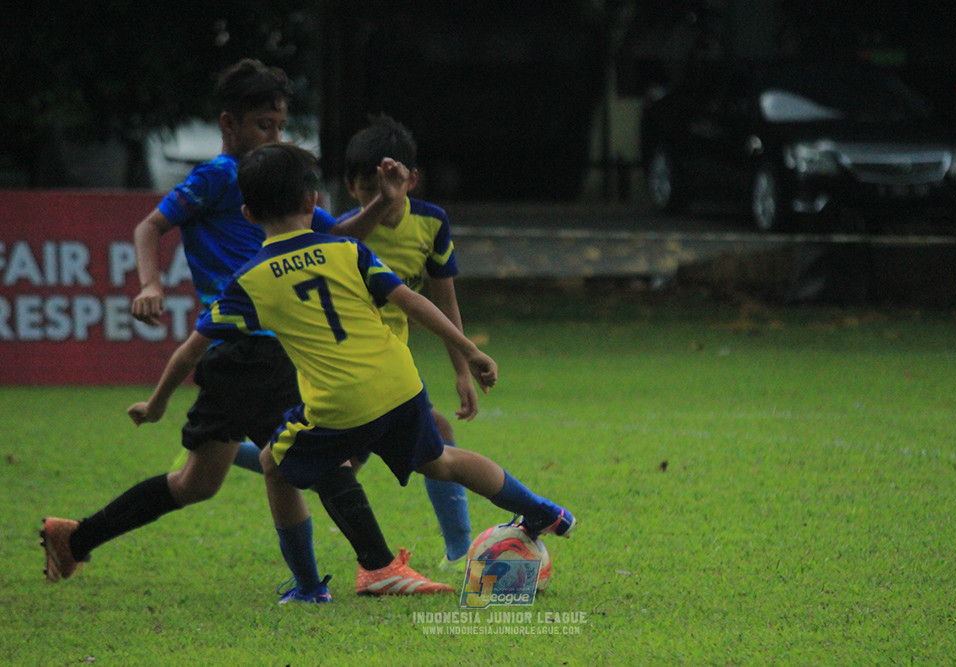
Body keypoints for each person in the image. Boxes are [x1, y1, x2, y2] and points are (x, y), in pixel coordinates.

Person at [40, 59, 452, 602]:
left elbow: (340, 235)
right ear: (228, 124)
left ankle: (74, 539)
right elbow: (149, 226)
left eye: (280, 126)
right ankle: (376, 567)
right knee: (315, 457)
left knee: (195, 482)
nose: (274, 136)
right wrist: (150, 283)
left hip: (236, 355)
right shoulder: (217, 178)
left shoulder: (278, 181)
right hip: (249, 348)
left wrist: (383, 202)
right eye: (264, 125)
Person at [122, 143, 576, 599]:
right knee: (441, 461)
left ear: (247, 214)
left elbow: (190, 353)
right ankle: (544, 511)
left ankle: (308, 588)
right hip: (400, 383)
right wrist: (469, 350)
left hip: (339, 403)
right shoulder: (347, 250)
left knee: (273, 465)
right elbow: (411, 301)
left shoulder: (249, 282)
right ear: (312, 202)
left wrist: (156, 404)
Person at [338, 113, 474, 572]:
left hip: (393, 358)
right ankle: (457, 553)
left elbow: (444, 300)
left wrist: (462, 369)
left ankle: (223, 455)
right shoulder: (344, 233)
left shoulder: (431, 223)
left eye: (387, 185)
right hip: (353, 360)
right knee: (433, 435)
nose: (378, 196)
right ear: (351, 187)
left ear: (410, 179)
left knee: (334, 462)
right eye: (366, 187)